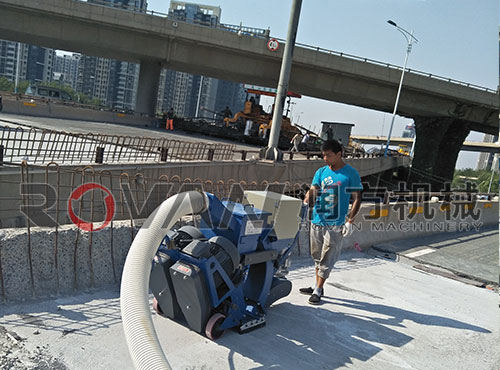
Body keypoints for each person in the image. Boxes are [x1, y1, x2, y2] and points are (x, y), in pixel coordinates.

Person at [300, 139, 362, 305]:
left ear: (339, 154)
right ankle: (316, 285)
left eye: (329, 155)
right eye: (323, 155)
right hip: (318, 219)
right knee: (317, 255)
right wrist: (308, 197)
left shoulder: (351, 174)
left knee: (328, 256)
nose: (325, 158)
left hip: (336, 222)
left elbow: (357, 198)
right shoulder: (321, 172)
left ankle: (318, 290)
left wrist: (350, 220)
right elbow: (314, 188)